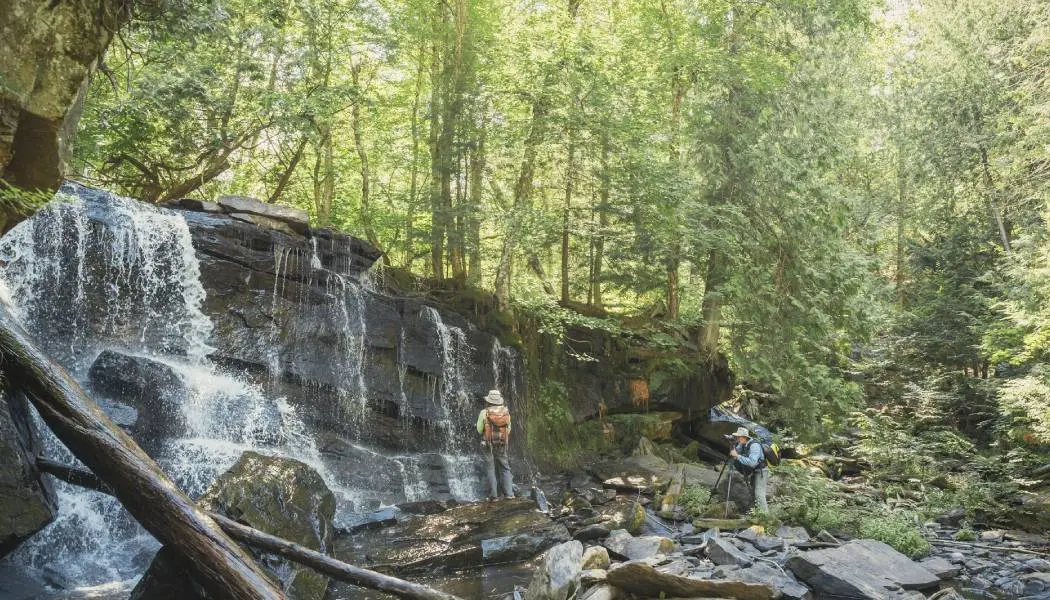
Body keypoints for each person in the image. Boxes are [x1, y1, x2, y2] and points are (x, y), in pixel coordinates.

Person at [477, 389, 514, 500]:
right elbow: (509, 429)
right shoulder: (506, 412)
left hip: (487, 443)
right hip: (501, 443)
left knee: (490, 468)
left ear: (489, 400)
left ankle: (494, 496)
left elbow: (479, 430)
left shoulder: (484, 412)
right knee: (505, 467)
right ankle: (509, 494)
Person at [728, 426, 769, 512]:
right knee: (753, 492)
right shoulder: (742, 444)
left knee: (759, 493)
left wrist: (737, 456)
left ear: (743, 437)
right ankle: (757, 513)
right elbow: (736, 452)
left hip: (761, 471)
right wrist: (731, 445)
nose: (737, 439)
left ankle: (765, 517)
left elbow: (752, 462)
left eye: (738, 437)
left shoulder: (754, 446)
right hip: (753, 470)